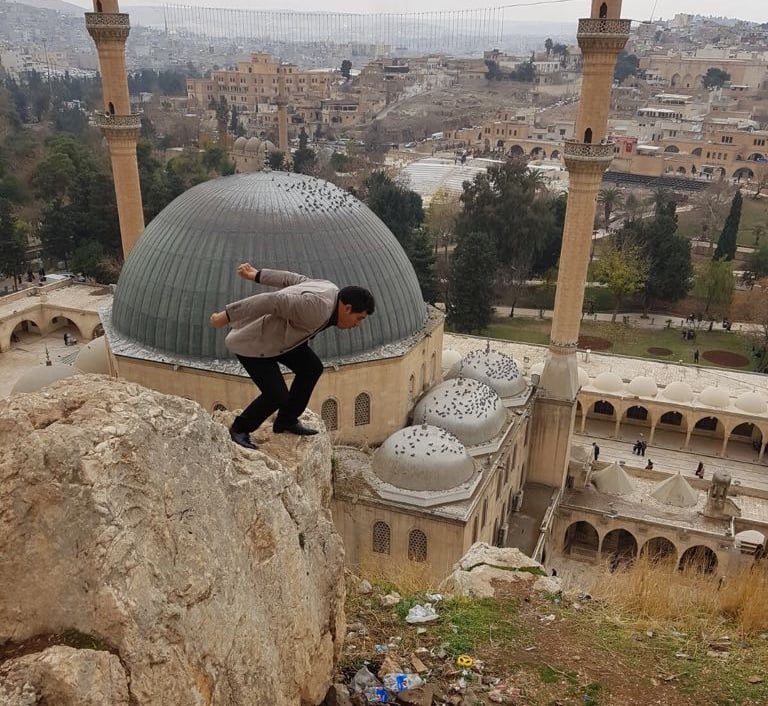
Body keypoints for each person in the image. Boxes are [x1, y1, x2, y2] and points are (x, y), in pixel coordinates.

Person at [210, 264, 375, 450]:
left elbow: (293, 279)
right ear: (347, 308)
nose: (357, 325)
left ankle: (286, 420)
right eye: (359, 318)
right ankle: (240, 429)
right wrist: (225, 316)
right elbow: (272, 301)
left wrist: (257, 275)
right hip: (256, 344)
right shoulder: (318, 309)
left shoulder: (330, 289)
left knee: (311, 368)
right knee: (276, 394)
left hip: (283, 340)